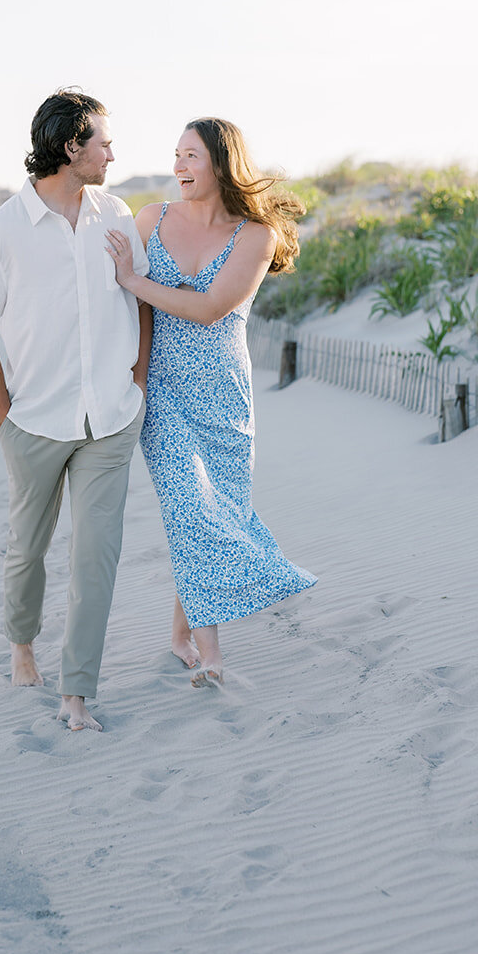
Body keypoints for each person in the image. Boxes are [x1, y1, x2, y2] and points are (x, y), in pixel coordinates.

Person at [0, 89, 151, 731]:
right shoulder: (1, 233)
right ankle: (21, 646)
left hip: (112, 420)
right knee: (28, 549)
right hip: (34, 423)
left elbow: (141, 302)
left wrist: (139, 379)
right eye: (102, 142)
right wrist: (3, 420)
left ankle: (77, 692)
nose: (111, 153)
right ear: (71, 147)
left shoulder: (116, 213)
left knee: (96, 555)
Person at [105, 116, 315, 686]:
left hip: (225, 398)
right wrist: (137, 385)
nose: (178, 166)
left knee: (209, 512)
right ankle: (213, 654)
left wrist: (132, 279)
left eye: (190, 156)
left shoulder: (255, 236)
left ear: (222, 163)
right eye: (175, 155)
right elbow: (143, 316)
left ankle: (179, 634)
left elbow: (210, 308)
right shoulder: (152, 219)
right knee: (191, 509)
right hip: (166, 394)